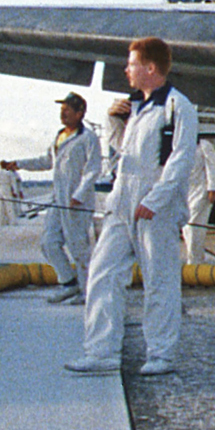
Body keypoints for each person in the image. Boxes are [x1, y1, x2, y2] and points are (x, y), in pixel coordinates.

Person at [66, 37, 197, 376]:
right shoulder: (135, 106)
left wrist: (155, 200)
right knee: (102, 273)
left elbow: (181, 160)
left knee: (160, 279)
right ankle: (101, 352)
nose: (126, 70)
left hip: (155, 205)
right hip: (121, 202)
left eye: (132, 64)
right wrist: (113, 122)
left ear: (150, 68)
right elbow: (123, 154)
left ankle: (161, 354)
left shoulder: (178, 107)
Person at [8, 91, 102, 304]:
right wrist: (20, 164)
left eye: (68, 109)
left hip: (77, 200)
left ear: (80, 113)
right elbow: (47, 161)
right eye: (62, 110)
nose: (63, 114)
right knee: (49, 242)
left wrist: (79, 194)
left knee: (78, 246)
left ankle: (88, 293)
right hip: (58, 198)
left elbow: (93, 169)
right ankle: (69, 283)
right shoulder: (60, 136)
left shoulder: (87, 138)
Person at [184, 137, 215, 266]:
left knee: (193, 225)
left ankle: (194, 260)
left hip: (201, 191)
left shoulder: (204, 145)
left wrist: (213, 188)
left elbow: (213, 167)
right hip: (187, 191)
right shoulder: (182, 145)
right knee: (187, 227)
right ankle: (195, 257)